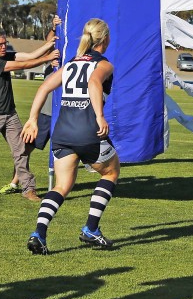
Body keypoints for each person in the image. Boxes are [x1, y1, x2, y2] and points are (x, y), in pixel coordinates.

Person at [22, 19, 120, 254]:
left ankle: (39, 233)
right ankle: (91, 229)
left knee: (62, 185)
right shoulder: (104, 64)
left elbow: (45, 86)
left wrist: (32, 119)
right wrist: (99, 116)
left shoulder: (71, 63)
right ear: (104, 39)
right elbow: (94, 82)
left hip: (63, 132)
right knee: (111, 171)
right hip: (87, 130)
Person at [0, 24, 59, 202]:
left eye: (5, 43)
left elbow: (30, 55)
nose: (3, 47)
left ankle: (28, 188)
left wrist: (50, 43)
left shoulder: (5, 55)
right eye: (0, 45)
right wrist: (48, 58)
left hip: (10, 114)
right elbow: (26, 64)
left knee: (21, 150)